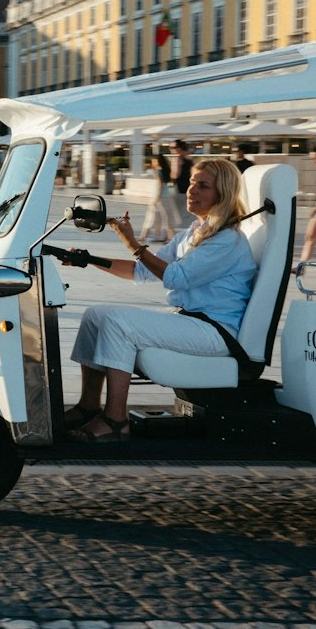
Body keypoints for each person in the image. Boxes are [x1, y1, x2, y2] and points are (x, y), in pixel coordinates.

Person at [64, 158, 257, 442]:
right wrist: (88, 259)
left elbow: (174, 277)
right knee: (96, 314)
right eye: (192, 182)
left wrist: (132, 243)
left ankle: (116, 419)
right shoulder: (193, 234)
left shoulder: (226, 240)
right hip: (191, 322)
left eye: (203, 186)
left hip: (215, 332)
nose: (192, 189)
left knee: (118, 322)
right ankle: (88, 406)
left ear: (223, 194)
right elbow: (141, 271)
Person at [138, 150, 179, 244]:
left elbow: (159, 186)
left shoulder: (157, 172)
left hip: (160, 197)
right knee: (163, 217)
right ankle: (159, 236)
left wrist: (156, 198)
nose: (152, 162)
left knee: (157, 217)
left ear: (157, 161)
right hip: (166, 197)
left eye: (153, 161)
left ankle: (168, 237)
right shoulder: (165, 171)